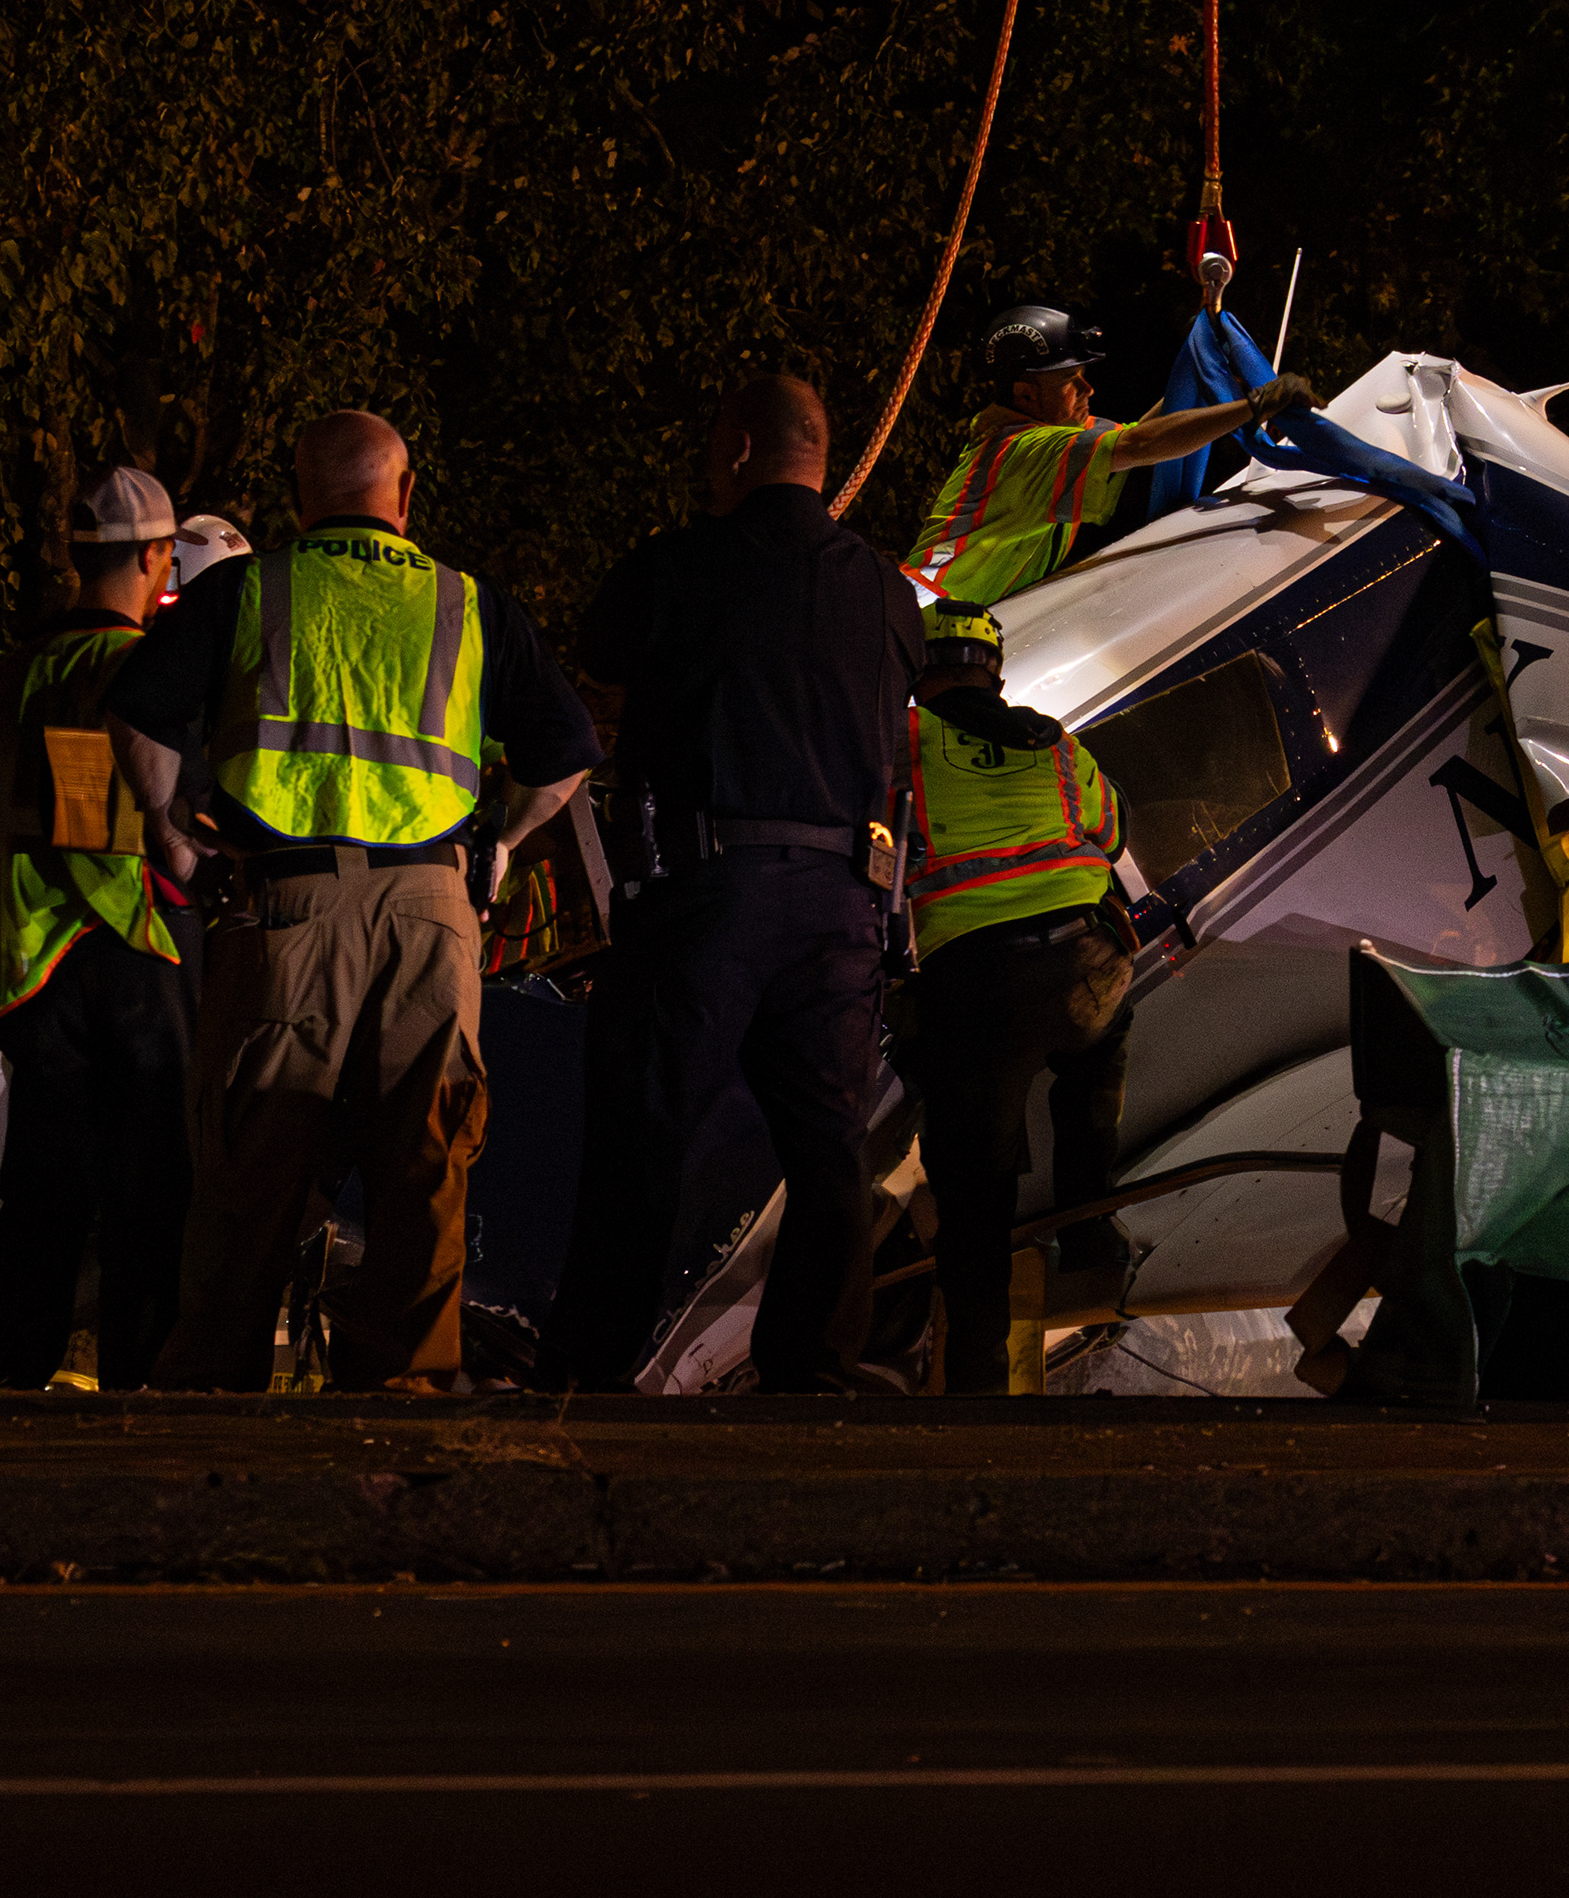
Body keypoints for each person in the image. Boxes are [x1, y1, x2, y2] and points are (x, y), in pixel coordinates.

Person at [104, 412, 596, 1392]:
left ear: (298, 495)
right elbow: (567, 750)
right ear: (405, 496)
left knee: (250, 1185)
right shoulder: (467, 605)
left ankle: (211, 1425)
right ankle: (401, 1420)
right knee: (426, 1177)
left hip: (284, 919)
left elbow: (141, 708)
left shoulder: (249, 590)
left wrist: (173, 836)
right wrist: (497, 840)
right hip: (430, 918)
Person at [537, 375, 924, 1394]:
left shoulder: (682, 564)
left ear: (741, 449)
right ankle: (812, 1370)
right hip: (845, 901)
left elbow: (602, 647)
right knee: (830, 1145)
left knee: (643, 1130)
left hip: (711, 892)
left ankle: (587, 1368)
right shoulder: (886, 589)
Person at [0, 467, 197, 1390]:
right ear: (153, 556)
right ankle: (144, 1383)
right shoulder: (144, 666)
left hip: (29, 961)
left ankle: (3, 1378)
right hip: (132, 945)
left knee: (44, 1194)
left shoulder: (6, 674)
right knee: (151, 1194)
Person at [902, 600, 1140, 1393]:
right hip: (1084, 967)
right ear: (994, 674)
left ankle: (977, 1379)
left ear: (921, 667)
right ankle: (1089, 1226)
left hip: (979, 987)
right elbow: (1112, 835)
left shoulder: (903, 740)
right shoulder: (1057, 746)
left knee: (975, 1197)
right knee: (1097, 1055)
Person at [904, 305, 1309, 602]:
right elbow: (1143, 446)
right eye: (1070, 381)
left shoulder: (1043, 436)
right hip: (923, 611)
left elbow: (1146, 432)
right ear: (1025, 394)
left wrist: (1208, 380)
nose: (1088, 391)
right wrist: (1253, 406)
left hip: (940, 617)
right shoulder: (1026, 451)